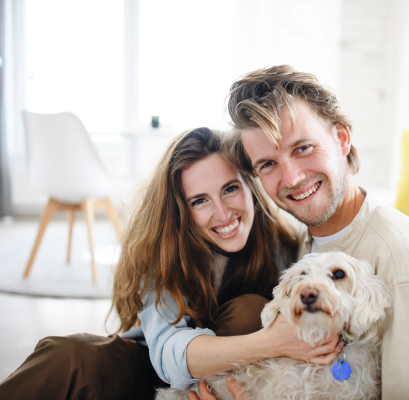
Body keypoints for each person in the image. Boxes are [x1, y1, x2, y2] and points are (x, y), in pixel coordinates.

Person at [0, 127, 342, 400]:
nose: (223, 214)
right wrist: (271, 342)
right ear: (182, 210)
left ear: (250, 186)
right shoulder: (166, 251)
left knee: (251, 311)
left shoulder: (287, 245)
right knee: (71, 356)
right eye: (199, 200)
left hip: (238, 382)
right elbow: (166, 356)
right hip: (155, 371)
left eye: (229, 189)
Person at [221, 65, 409, 400]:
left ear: (341, 139)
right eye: (268, 164)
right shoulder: (309, 240)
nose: (291, 178)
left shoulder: (401, 262)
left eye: (303, 148)